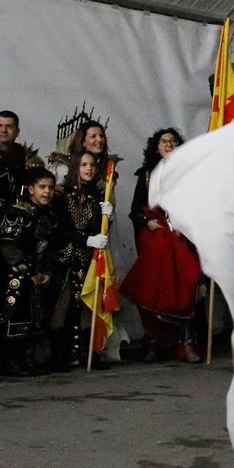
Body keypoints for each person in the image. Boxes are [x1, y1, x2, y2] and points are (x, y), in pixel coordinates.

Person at [121, 128, 204, 362]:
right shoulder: (147, 175)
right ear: (155, 146)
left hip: (181, 236)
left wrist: (183, 226)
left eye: (173, 141)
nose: (168, 145)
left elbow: (196, 206)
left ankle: (186, 342)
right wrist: (147, 222)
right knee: (153, 282)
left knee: (187, 282)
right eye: (163, 141)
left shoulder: (188, 174)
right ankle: (153, 339)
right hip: (155, 236)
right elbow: (135, 210)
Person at [0, 167, 67, 375]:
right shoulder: (18, 212)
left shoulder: (50, 216)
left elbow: (52, 248)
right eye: (42, 187)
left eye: (51, 188)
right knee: (16, 314)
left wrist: (47, 272)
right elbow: (7, 244)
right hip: (16, 276)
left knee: (37, 317)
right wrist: (28, 272)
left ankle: (29, 359)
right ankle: (12, 361)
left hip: (39, 275)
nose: (47, 192)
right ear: (30, 189)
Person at [54, 149, 113, 370]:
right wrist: (87, 240)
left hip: (91, 259)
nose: (89, 169)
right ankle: (61, 354)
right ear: (75, 168)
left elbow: (103, 231)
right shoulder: (64, 196)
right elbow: (64, 228)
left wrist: (108, 216)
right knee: (64, 306)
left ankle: (89, 353)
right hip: (68, 258)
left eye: (92, 165)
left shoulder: (100, 197)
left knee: (89, 306)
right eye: (84, 165)